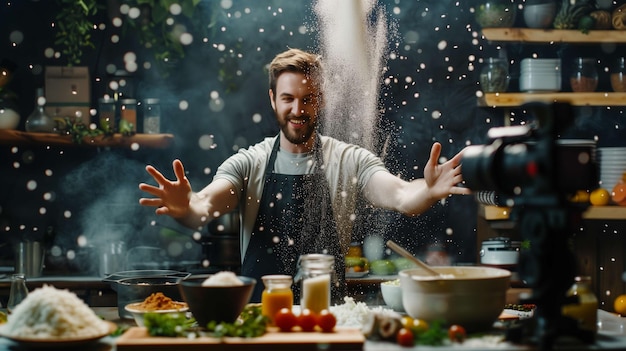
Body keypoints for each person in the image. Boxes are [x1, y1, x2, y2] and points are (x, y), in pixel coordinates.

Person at [138, 48, 470, 302]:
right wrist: (186, 208)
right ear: (272, 100)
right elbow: (205, 206)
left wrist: (427, 190)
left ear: (321, 100)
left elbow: (400, 195)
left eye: (307, 99)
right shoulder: (249, 163)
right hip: (261, 321)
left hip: (328, 320)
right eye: (288, 99)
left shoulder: (347, 159)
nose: (298, 110)